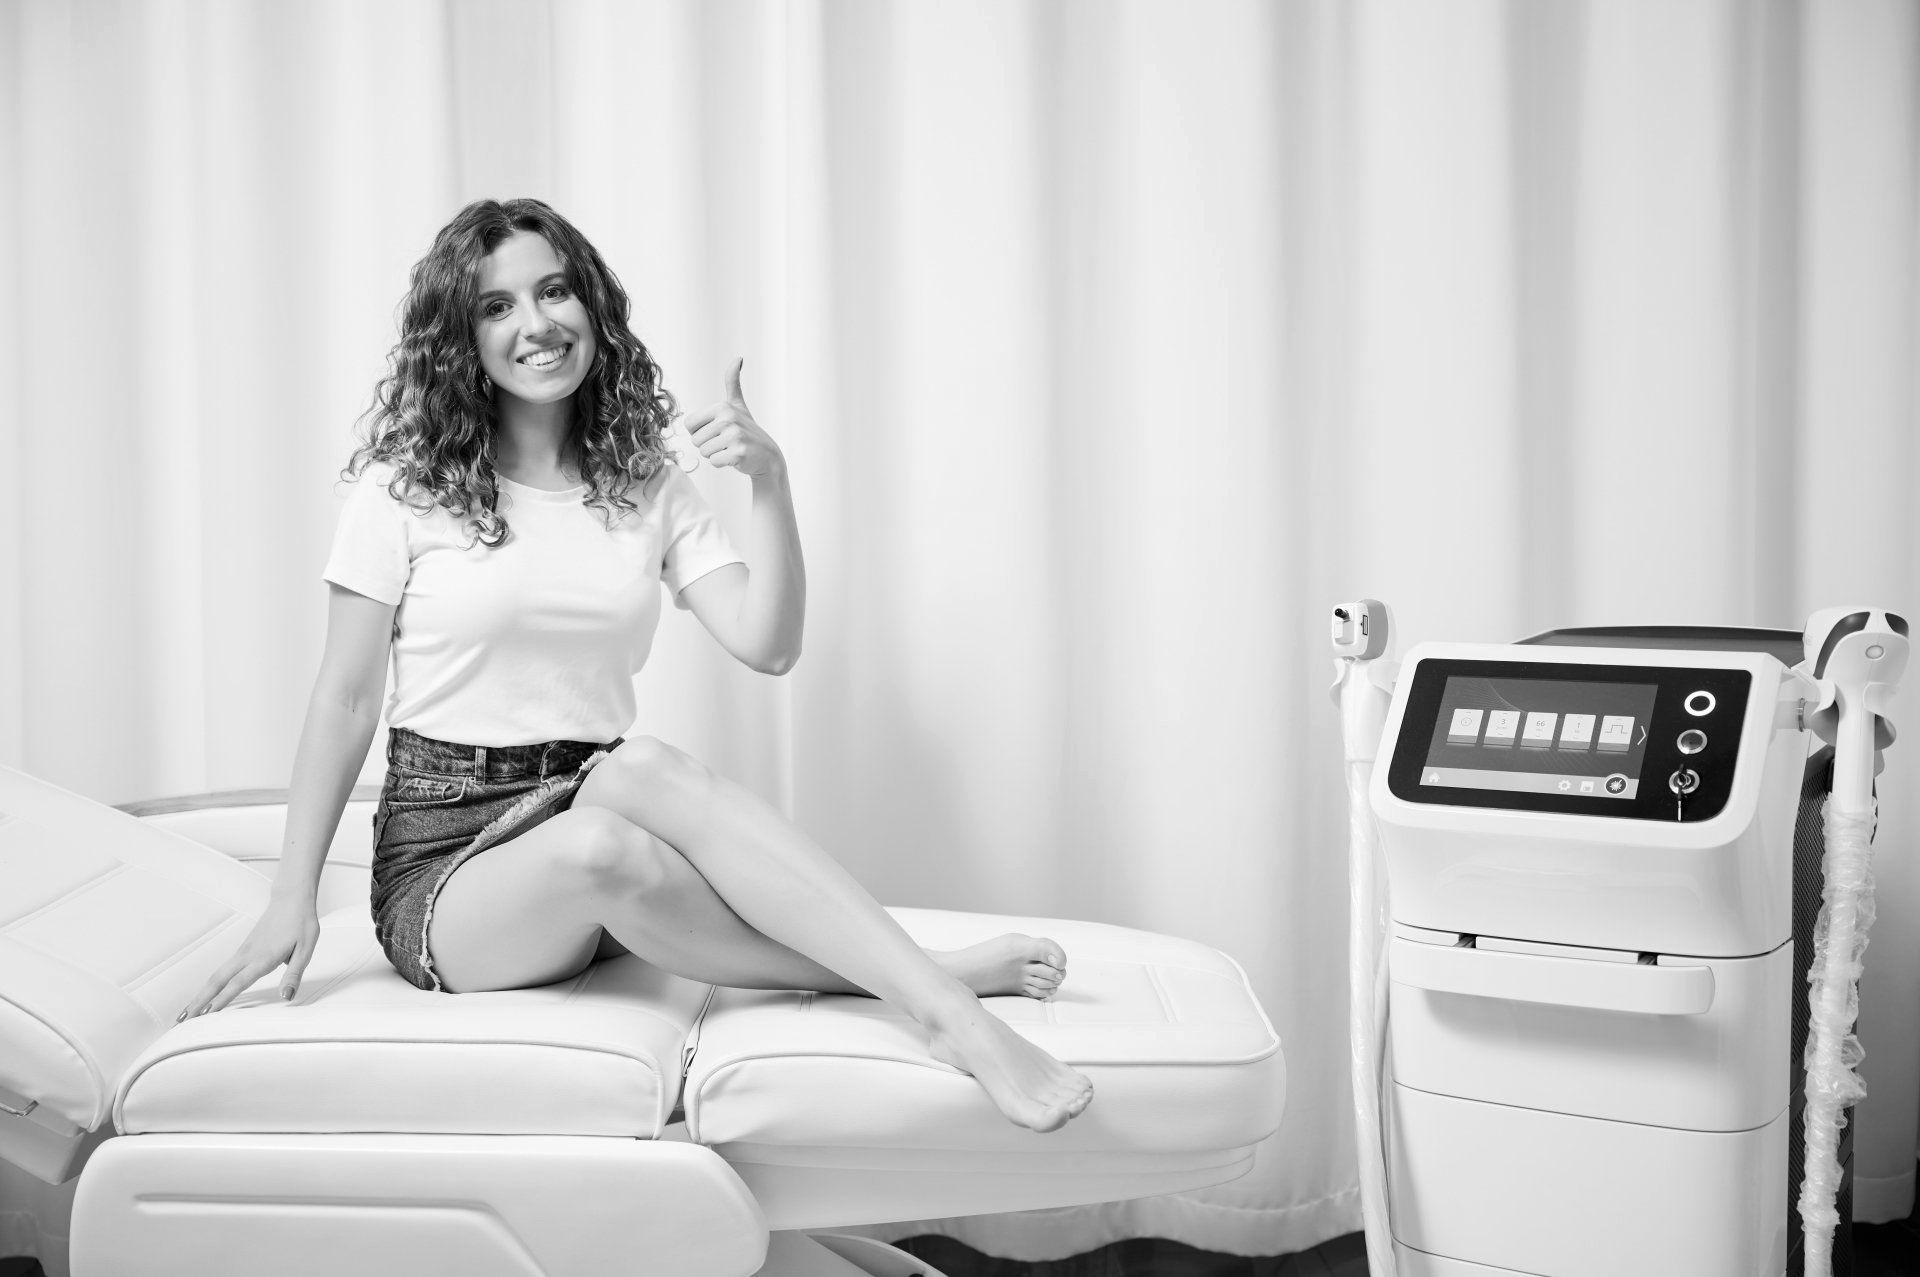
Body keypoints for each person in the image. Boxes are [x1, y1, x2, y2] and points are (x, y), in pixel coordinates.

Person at [178, 198, 1094, 1133]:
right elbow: (343, 696)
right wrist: (289, 895)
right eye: (497, 307)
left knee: (641, 770)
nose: (535, 323)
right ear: (461, 339)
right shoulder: (403, 486)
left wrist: (769, 484)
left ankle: (940, 1008)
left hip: (587, 796)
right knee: (604, 842)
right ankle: (938, 992)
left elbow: (767, 644)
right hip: (447, 868)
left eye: (554, 290)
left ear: (591, 307)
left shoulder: (643, 479)